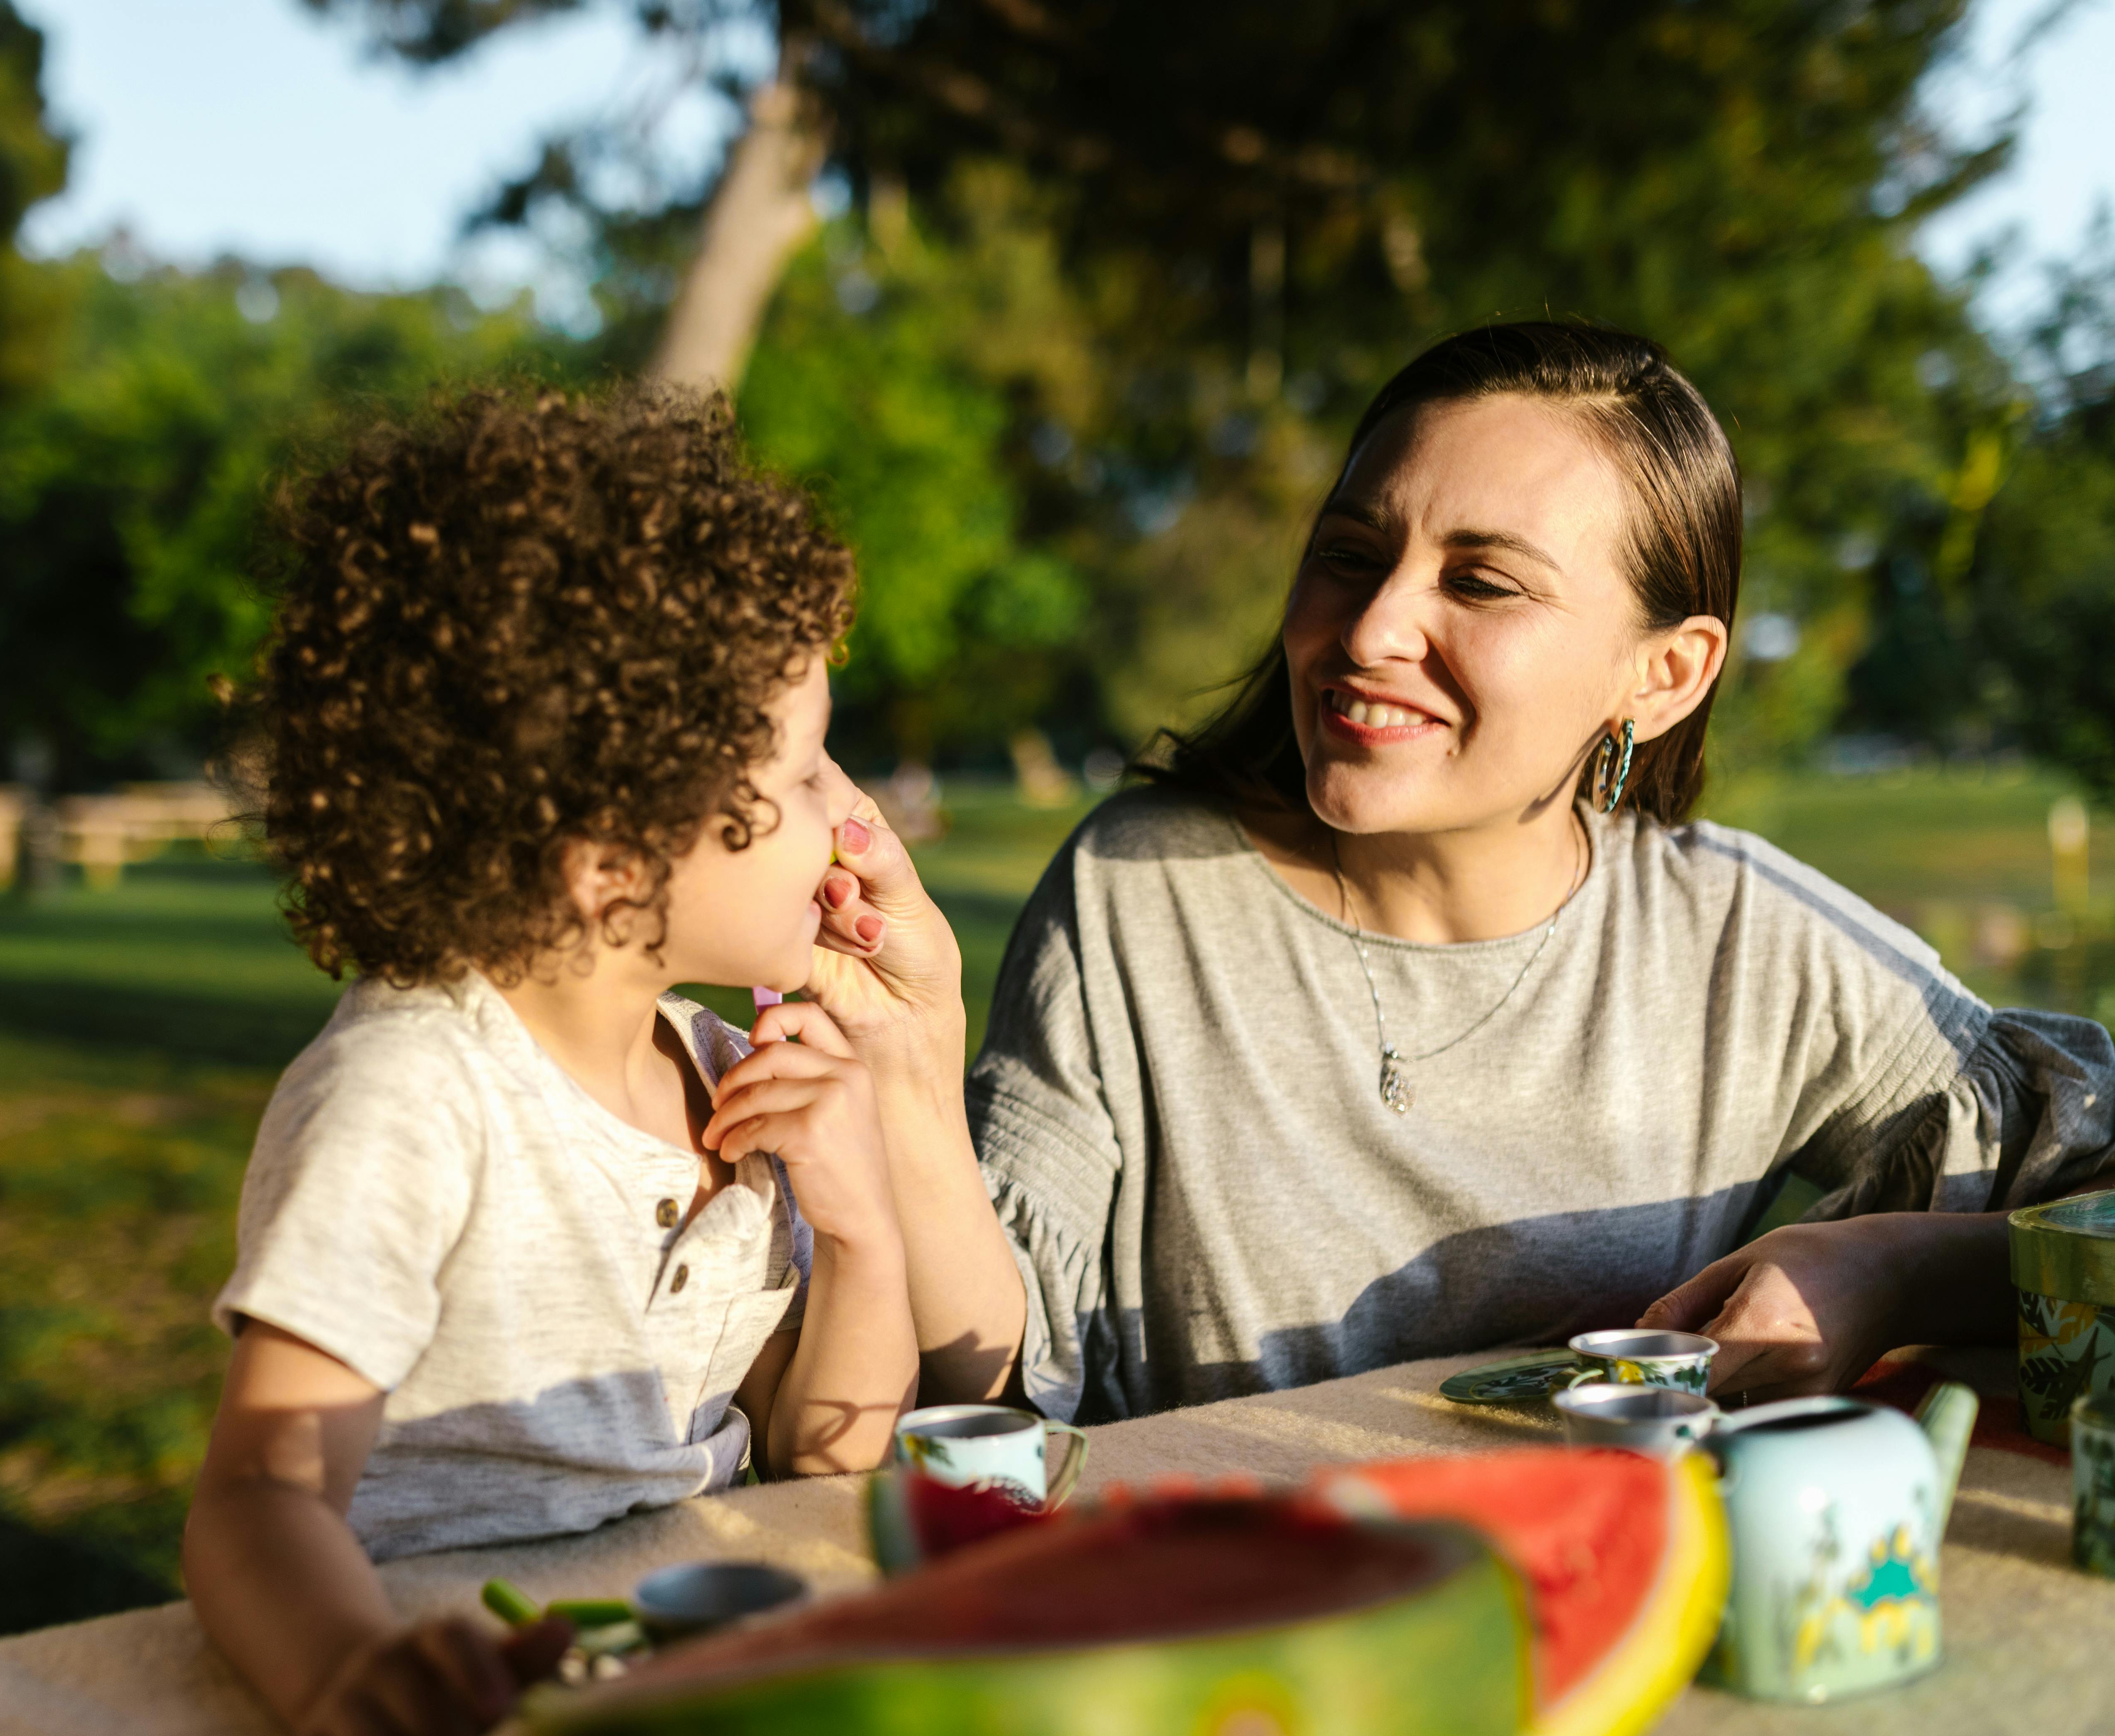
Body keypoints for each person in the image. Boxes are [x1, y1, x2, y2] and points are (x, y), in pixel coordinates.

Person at [806, 320, 2115, 1422]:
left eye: (1482, 582)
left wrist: (1884, 1268)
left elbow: (2093, 1202)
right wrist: (915, 1077)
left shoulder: (1742, 947)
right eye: (1350, 555)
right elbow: (998, 1386)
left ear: (1662, 676)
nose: (1371, 629)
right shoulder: (1139, 891)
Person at [181, 386, 922, 1736]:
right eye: (793, 778)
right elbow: (257, 1495)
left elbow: (824, 1465)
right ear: (607, 867)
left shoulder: (725, 1067)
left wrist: (863, 1236)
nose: (845, 820)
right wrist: (350, 1683)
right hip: (463, 1705)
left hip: (675, 1705)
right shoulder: (413, 1097)